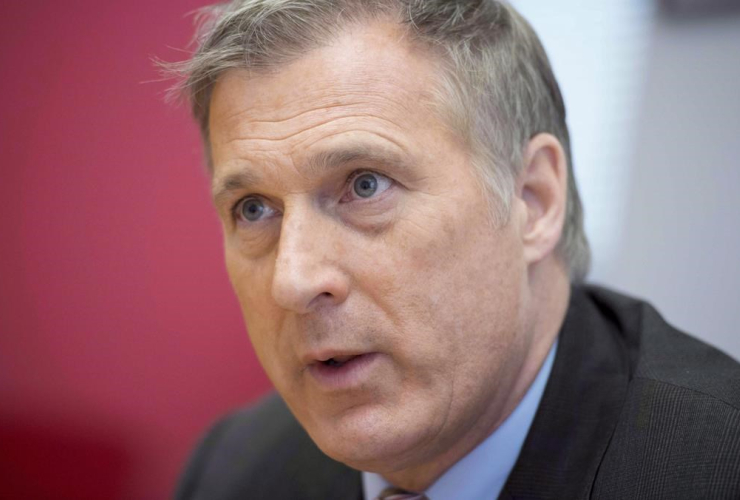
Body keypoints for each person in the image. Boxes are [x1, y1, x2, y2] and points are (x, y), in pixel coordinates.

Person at [167, 1, 740, 498]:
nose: (291, 280)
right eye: (254, 209)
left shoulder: (714, 469)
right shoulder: (232, 470)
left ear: (533, 201)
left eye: (365, 185)